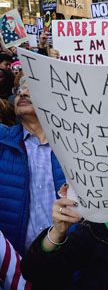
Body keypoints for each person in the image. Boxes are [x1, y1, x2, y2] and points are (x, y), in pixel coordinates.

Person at [0, 79, 65, 254]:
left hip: (68, 262)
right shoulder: (3, 141)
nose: (23, 93)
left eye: (32, 89)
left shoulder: (74, 147)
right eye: (20, 89)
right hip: (14, 268)